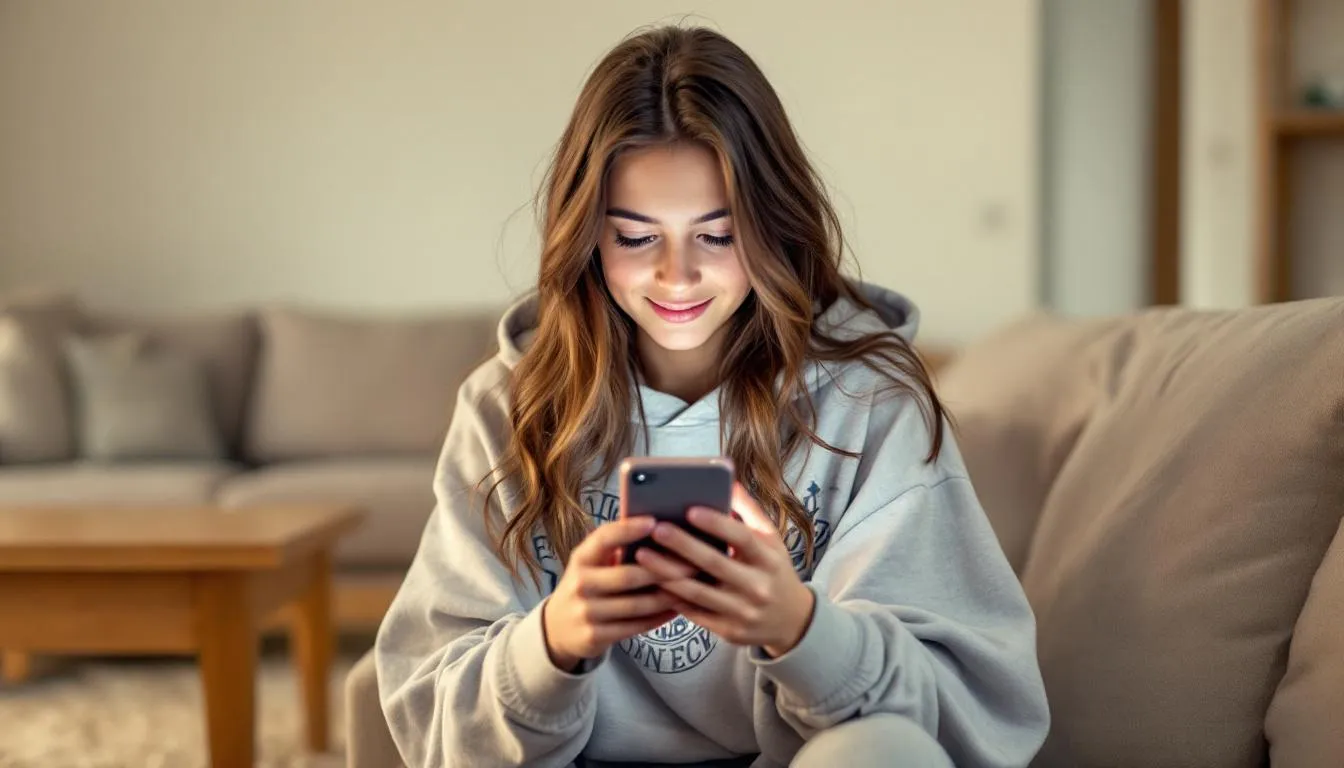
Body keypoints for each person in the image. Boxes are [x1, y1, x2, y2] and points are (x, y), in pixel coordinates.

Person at [374, 24, 1049, 768]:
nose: (678, 276)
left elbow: (959, 720)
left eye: (718, 236)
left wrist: (801, 629)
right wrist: (554, 641)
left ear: (773, 228)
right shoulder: (505, 406)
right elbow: (433, 715)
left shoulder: (870, 403)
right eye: (635, 238)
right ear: (587, 238)